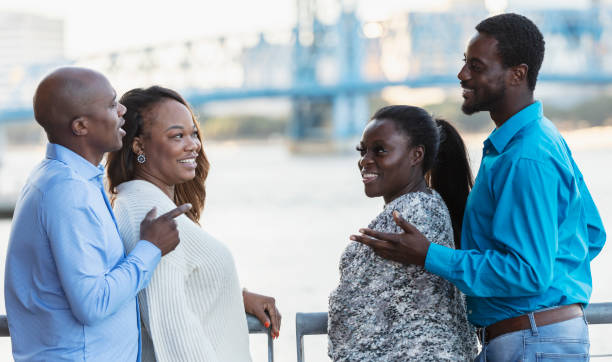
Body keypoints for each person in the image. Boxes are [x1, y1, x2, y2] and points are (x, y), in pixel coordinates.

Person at [352, 13, 606, 361]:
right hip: (536, 337)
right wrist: (552, 290)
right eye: (464, 63)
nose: (463, 75)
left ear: (517, 74)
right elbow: (591, 233)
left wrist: (429, 255)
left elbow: (529, 272)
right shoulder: (540, 139)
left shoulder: (525, 157)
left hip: (532, 341)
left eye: (476, 66)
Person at [4, 67, 190, 361]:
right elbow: (93, 303)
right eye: (111, 104)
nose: (122, 110)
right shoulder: (67, 191)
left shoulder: (68, 180)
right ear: (80, 126)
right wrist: (150, 248)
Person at [106, 85, 281, 362]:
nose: (194, 144)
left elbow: (180, 285)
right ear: (139, 145)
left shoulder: (144, 202)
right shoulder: (148, 211)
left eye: (193, 134)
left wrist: (233, 297)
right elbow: (171, 325)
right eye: (177, 135)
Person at [328, 105, 478, 361]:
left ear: (416, 155)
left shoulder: (413, 215)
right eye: (362, 151)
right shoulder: (422, 206)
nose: (365, 160)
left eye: (380, 150)